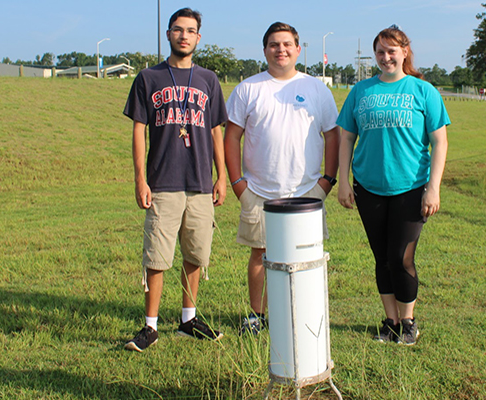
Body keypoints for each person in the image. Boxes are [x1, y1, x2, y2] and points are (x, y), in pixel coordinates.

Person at [335, 25, 449, 346]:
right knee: (381, 257)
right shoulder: (361, 91)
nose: (386, 57)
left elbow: (439, 141)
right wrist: (343, 181)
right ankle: (391, 322)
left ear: (404, 52)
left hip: (411, 188)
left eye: (392, 50)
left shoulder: (422, 91)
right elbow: (347, 137)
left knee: (401, 257)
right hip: (369, 187)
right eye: (381, 51)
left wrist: (433, 187)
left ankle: (409, 322)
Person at [122, 7, 228, 352]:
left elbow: (215, 132)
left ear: (199, 38)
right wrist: (140, 179)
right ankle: (150, 326)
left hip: (199, 181)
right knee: (157, 255)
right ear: (168, 34)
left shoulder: (208, 80)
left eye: (191, 30)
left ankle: (188, 318)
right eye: (178, 29)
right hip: (163, 180)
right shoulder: (148, 78)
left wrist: (222, 176)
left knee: (196, 252)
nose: (184, 35)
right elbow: (139, 131)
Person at [224, 22, 339, 335]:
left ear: (298, 49)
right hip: (259, 191)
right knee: (260, 254)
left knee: (306, 257)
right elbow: (231, 137)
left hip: (307, 192)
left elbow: (332, 136)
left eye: (287, 44)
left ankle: (303, 316)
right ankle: (257, 317)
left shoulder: (317, 89)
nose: (281, 50)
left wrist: (327, 182)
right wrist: (238, 185)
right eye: (274, 44)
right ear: (264, 51)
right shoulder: (248, 89)